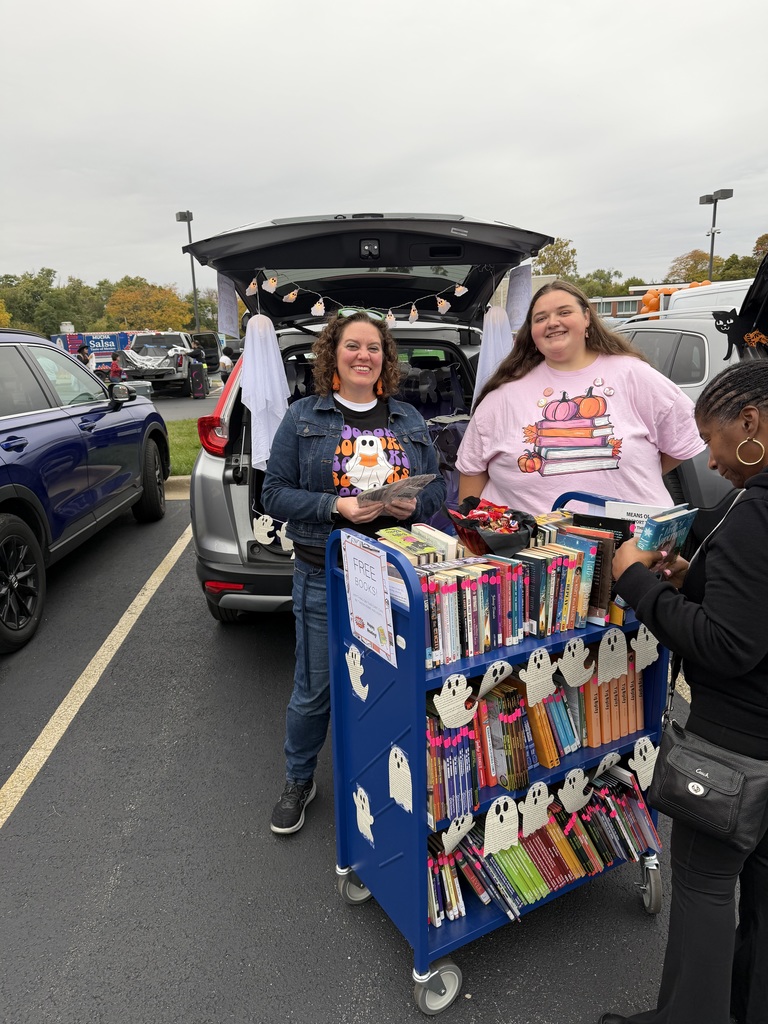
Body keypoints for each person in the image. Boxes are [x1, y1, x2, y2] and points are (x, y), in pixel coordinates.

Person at [601, 361, 768, 1024]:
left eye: (712, 438)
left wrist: (637, 583)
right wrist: (693, 579)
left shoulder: (755, 513)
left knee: (704, 886)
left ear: (750, 422)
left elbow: (730, 644)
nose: (710, 459)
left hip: (736, 743)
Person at [261, 311, 446, 835]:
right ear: (333, 354)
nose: (363, 355)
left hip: (396, 575)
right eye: (352, 346)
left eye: (373, 348)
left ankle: (388, 780)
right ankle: (299, 779)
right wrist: (334, 507)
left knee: (391, 686)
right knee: (316, 689)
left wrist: (416, 505)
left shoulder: (408, 418)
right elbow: (273, 493)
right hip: (327, 574)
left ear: (385, 358)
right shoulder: (303, 416)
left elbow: (437, 485)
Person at [456, 281, 704, 513]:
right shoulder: (503, 395)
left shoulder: (634, 374)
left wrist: (636, 472)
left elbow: (684, 436)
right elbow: (472, 471)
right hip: (531, 543)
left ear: (587, 317)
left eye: (564, 312)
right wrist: (471, 533)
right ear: (531, 331)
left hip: (632, 541)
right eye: (541, 318)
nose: (552, 323)